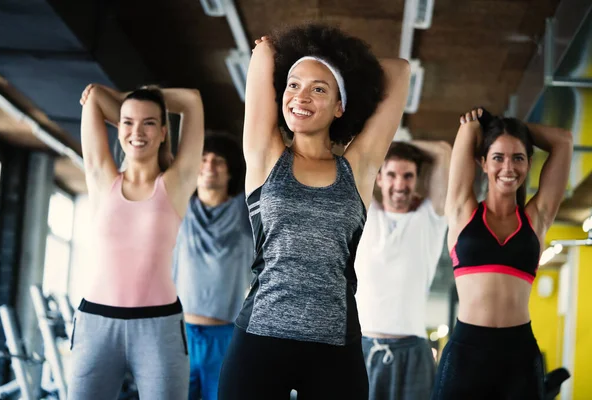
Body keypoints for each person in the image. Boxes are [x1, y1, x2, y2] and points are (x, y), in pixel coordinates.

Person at [217, 23, 411, 400]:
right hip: (260, 337)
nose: (300, 96)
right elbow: (261, 61)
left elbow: (399, 71)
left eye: (318, 89)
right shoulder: (264, 157)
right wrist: (270, 53)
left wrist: (344, 63)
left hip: (334, 345)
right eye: (293, 84)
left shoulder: (358, 168)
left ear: (341, 106)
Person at [70, 84, 205, 400]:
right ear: (118, 128)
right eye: (128, 122)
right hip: (95, 324)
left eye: (148, 122)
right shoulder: (102, 179)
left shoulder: (176, 182)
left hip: (159, 328)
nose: (137, 131)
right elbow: (91, 96)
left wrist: (133, 98)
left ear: (162, 133)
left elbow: (192, 100)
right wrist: (124, 105)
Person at [431, 108, 573, 399]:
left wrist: (507, 125)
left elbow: (564, 140)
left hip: (519, 356)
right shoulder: (462, 212)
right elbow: (469, 129)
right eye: (498, 157)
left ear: (529, 163)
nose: (508, 168)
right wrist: (488, 125)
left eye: (518, 158)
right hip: (465, 356)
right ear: (483, 162)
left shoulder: (537, 219)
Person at [355, 140, 451, 400]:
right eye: (392, 175)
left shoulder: (430, 218)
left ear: (417, 179)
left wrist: (395, 142)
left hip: (414, 350)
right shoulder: (364, 215)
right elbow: (356, 153)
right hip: (363, 348)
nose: (400, 184)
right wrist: (387, 144)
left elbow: (442, 150)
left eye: (408, 176)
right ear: (379, 179)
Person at [172, 133, 253, 400]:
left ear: (230, 171)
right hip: (178, 333)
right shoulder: (178, 205)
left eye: (218, 161)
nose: (209, 166)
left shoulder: (244, 210)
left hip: (225, 336)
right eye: (203, 159)